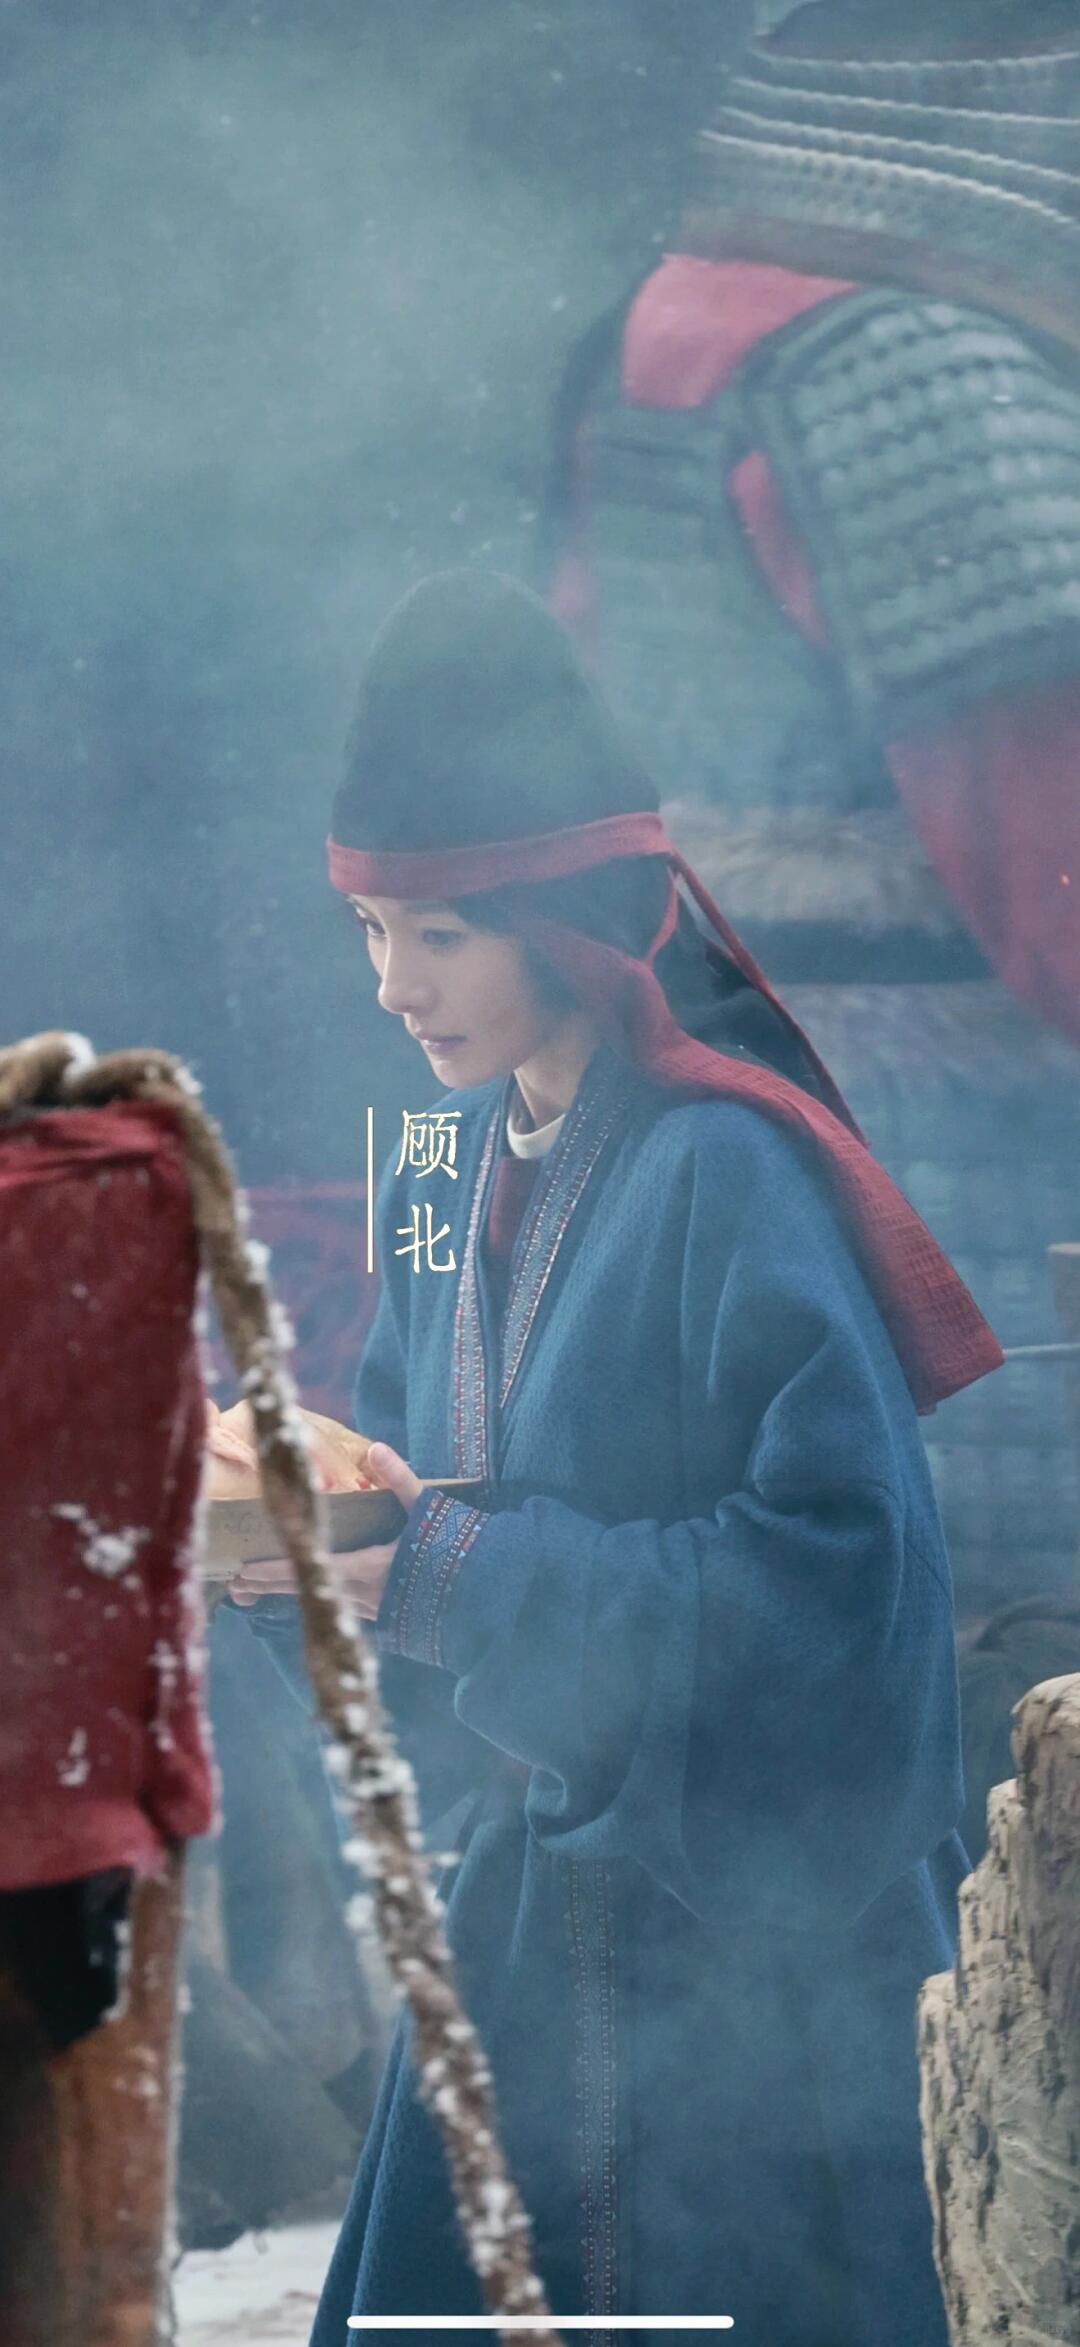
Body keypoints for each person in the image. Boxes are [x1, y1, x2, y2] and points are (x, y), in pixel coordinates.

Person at [235, 570, 1001, 2345]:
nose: (393, 987)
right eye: (368, 931)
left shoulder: (730, 1169)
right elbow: (409, 1508)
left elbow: (842, 1595)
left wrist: (454, 1576)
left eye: (440, 936)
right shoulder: (435, 1169)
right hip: (530, 1936)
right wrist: (313, 1570)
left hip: (758, 1971)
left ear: (565, 919)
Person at [541, 0, 1080, 1623]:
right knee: (997, 1694)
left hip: (747, 1159)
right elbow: (1056, 873)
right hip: (969, 1218)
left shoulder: (700, 307)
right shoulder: (914, 370)